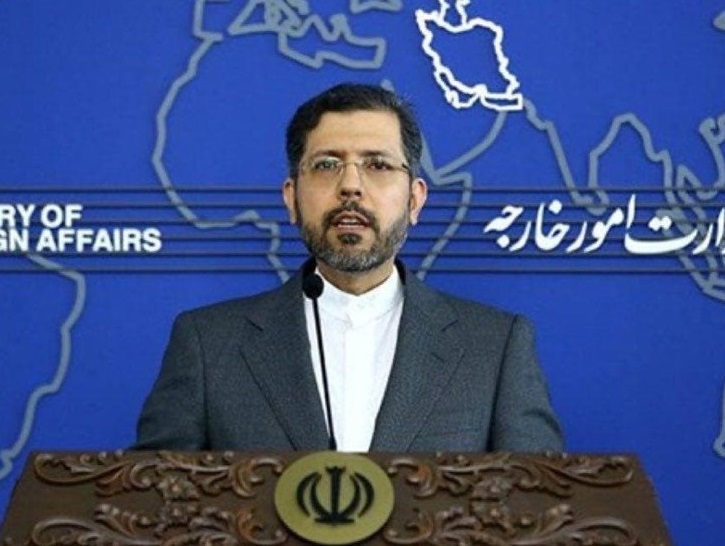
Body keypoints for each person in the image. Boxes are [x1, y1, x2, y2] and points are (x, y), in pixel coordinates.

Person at [135, 83, 563, 453]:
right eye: (327, 165)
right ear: (291, 198)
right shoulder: (207, 345)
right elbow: (152, 500)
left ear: (415, 200)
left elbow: (538, 504)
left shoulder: (496, 348)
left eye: (378, 165)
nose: (351, 186)